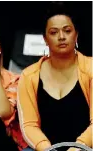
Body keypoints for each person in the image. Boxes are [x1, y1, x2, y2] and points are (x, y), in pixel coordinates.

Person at [17, 3, 92, 151]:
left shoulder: (91, 69)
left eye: (67, 30)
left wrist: (79, 148)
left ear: (76, 34)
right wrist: (46, 148)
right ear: (45, 39)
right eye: (53, 32)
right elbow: (29, 125)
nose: (61, 37)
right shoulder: (28, 76)